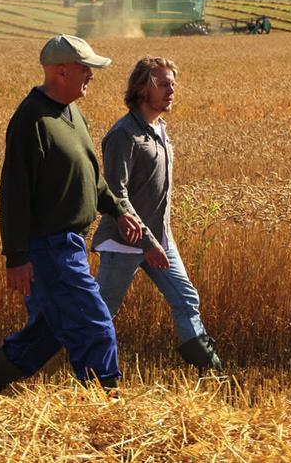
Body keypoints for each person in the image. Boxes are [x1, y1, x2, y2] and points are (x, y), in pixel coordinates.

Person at [0, 34, 143, 404]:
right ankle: (109, 413)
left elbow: (92, 178)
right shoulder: (31, 118)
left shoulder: (73, 114)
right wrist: (16, 257)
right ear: (61, 71)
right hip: (49, 248)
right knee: (95, 326)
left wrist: (118, 208)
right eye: (86, 68)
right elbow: (14, 193)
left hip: (69, 245)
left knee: (42, 338)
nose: (92, 75)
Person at [91, 56, 223, 374]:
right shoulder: (124, 134)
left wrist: (158, 238)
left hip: (160, 239)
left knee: (186, 297)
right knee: (102, 311)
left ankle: (210, 370)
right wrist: (147, 242)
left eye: (173, 84)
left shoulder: (159, 129)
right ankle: (85, 368)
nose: (171, 90)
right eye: (163, 84)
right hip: (125, 242)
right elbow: (115, 193)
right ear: (141, 89)